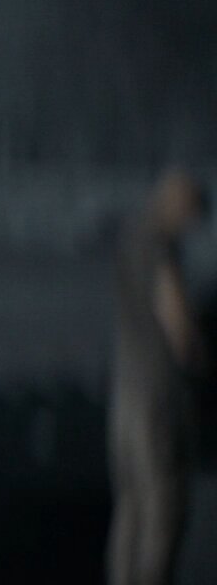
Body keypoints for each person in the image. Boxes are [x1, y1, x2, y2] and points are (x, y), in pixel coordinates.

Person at [108, 169, 210, 585]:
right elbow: (177, 324)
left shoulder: (130, 238)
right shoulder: (161, 247)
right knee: (164, 509)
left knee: (131, 509)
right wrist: (201, 361)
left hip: (126, 400)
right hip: (160, 398)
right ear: (179, 206)